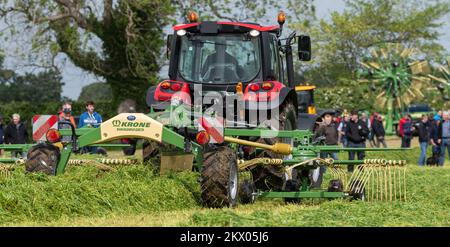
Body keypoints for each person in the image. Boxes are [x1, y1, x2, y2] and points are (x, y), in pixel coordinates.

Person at [312, 112, 339, 188]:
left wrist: (337, 143)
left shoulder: (333, 126)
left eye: (329, 117)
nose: (329, 118)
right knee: (323, 162)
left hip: (333, 147)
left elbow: (336, 135)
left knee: (336, 160)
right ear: (323, 118)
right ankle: (323, 177)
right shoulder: (322, 127)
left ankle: (336, 175)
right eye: (327, 117)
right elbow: (318, 136)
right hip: (325, 147)